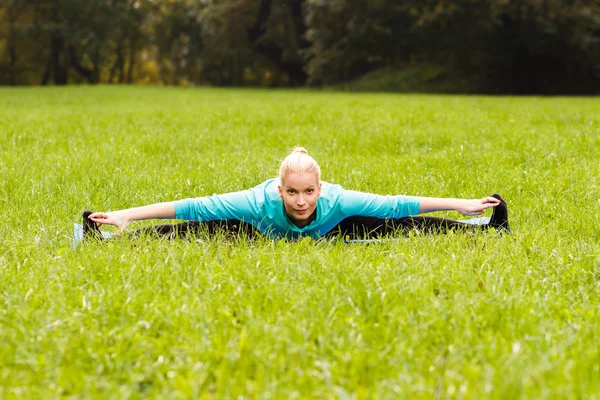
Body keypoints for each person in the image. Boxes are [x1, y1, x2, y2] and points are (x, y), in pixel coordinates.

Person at [83, 147, 509, 241]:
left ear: (319, 189)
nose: (301, 201)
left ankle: (479, 229)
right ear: (279, 188)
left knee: (389, 223)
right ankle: (113, 236)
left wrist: (462, 204)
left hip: (332, 232)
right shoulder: (257, 202)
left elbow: (398, 203)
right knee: (206, 226)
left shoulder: (337, 201)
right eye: (292, 192)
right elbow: (189, 207)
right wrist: (125, 213)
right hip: (263, 232)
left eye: (308, 192)